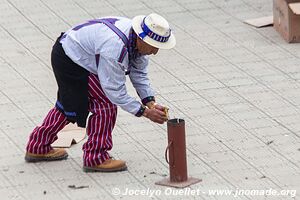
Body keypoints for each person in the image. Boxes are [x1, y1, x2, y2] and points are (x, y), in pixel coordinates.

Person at [24, 13, 176, 172]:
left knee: (70, 103)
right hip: (72, 59)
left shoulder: (137, 40)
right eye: (153, 46)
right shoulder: (115, 47)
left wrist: (150, 102)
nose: (155, 52)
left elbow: (139, 73)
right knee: (105, 104)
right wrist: (144, 112)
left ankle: (38, 146)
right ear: (141, 38)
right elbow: (114, 91)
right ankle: (95, 157)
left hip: (76, 52)